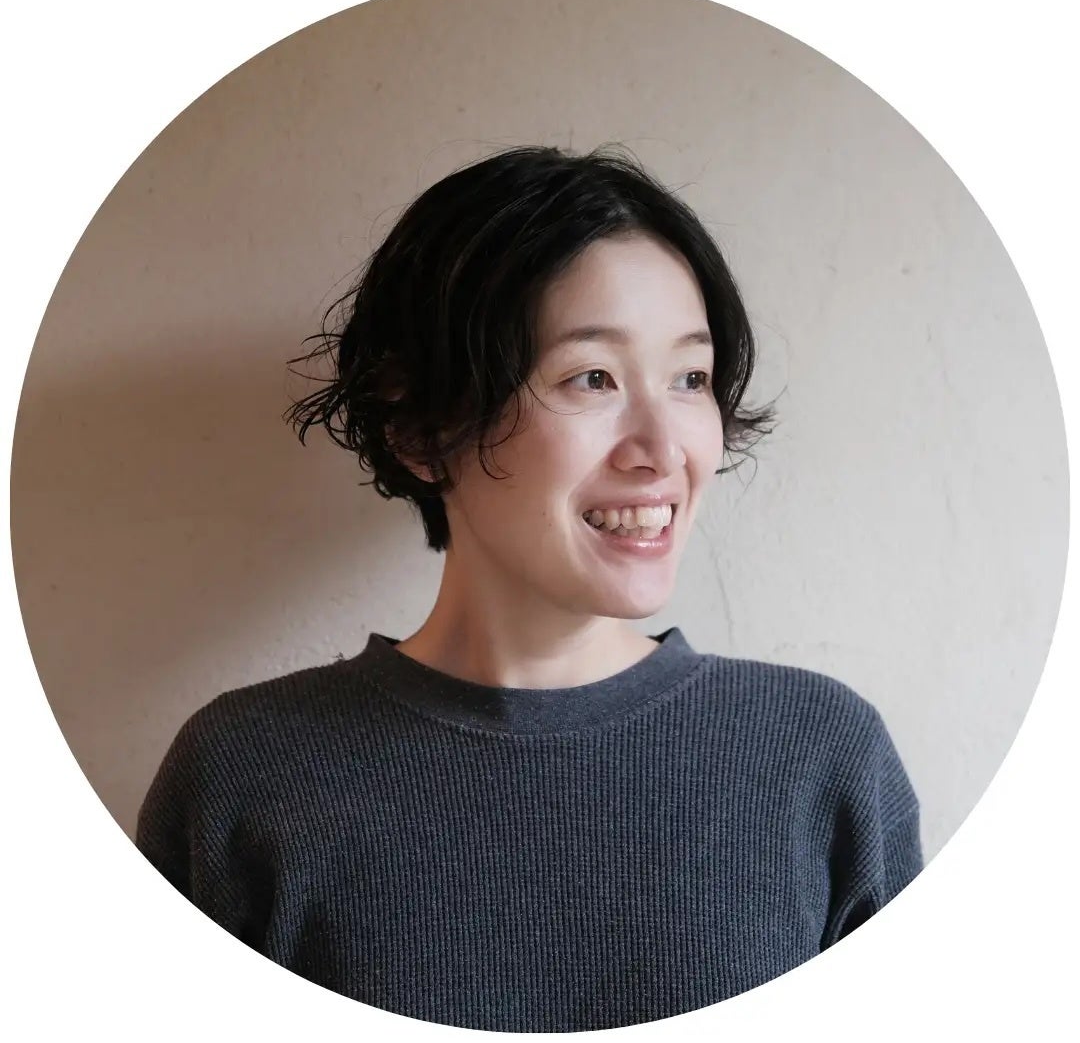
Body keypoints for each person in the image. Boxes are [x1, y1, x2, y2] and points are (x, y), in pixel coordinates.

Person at [136, 144, 922, 1032]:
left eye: (690, 378)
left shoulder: (818, 758)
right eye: (593, 377)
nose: (663, 450)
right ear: (421, 426)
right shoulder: (246, 775)